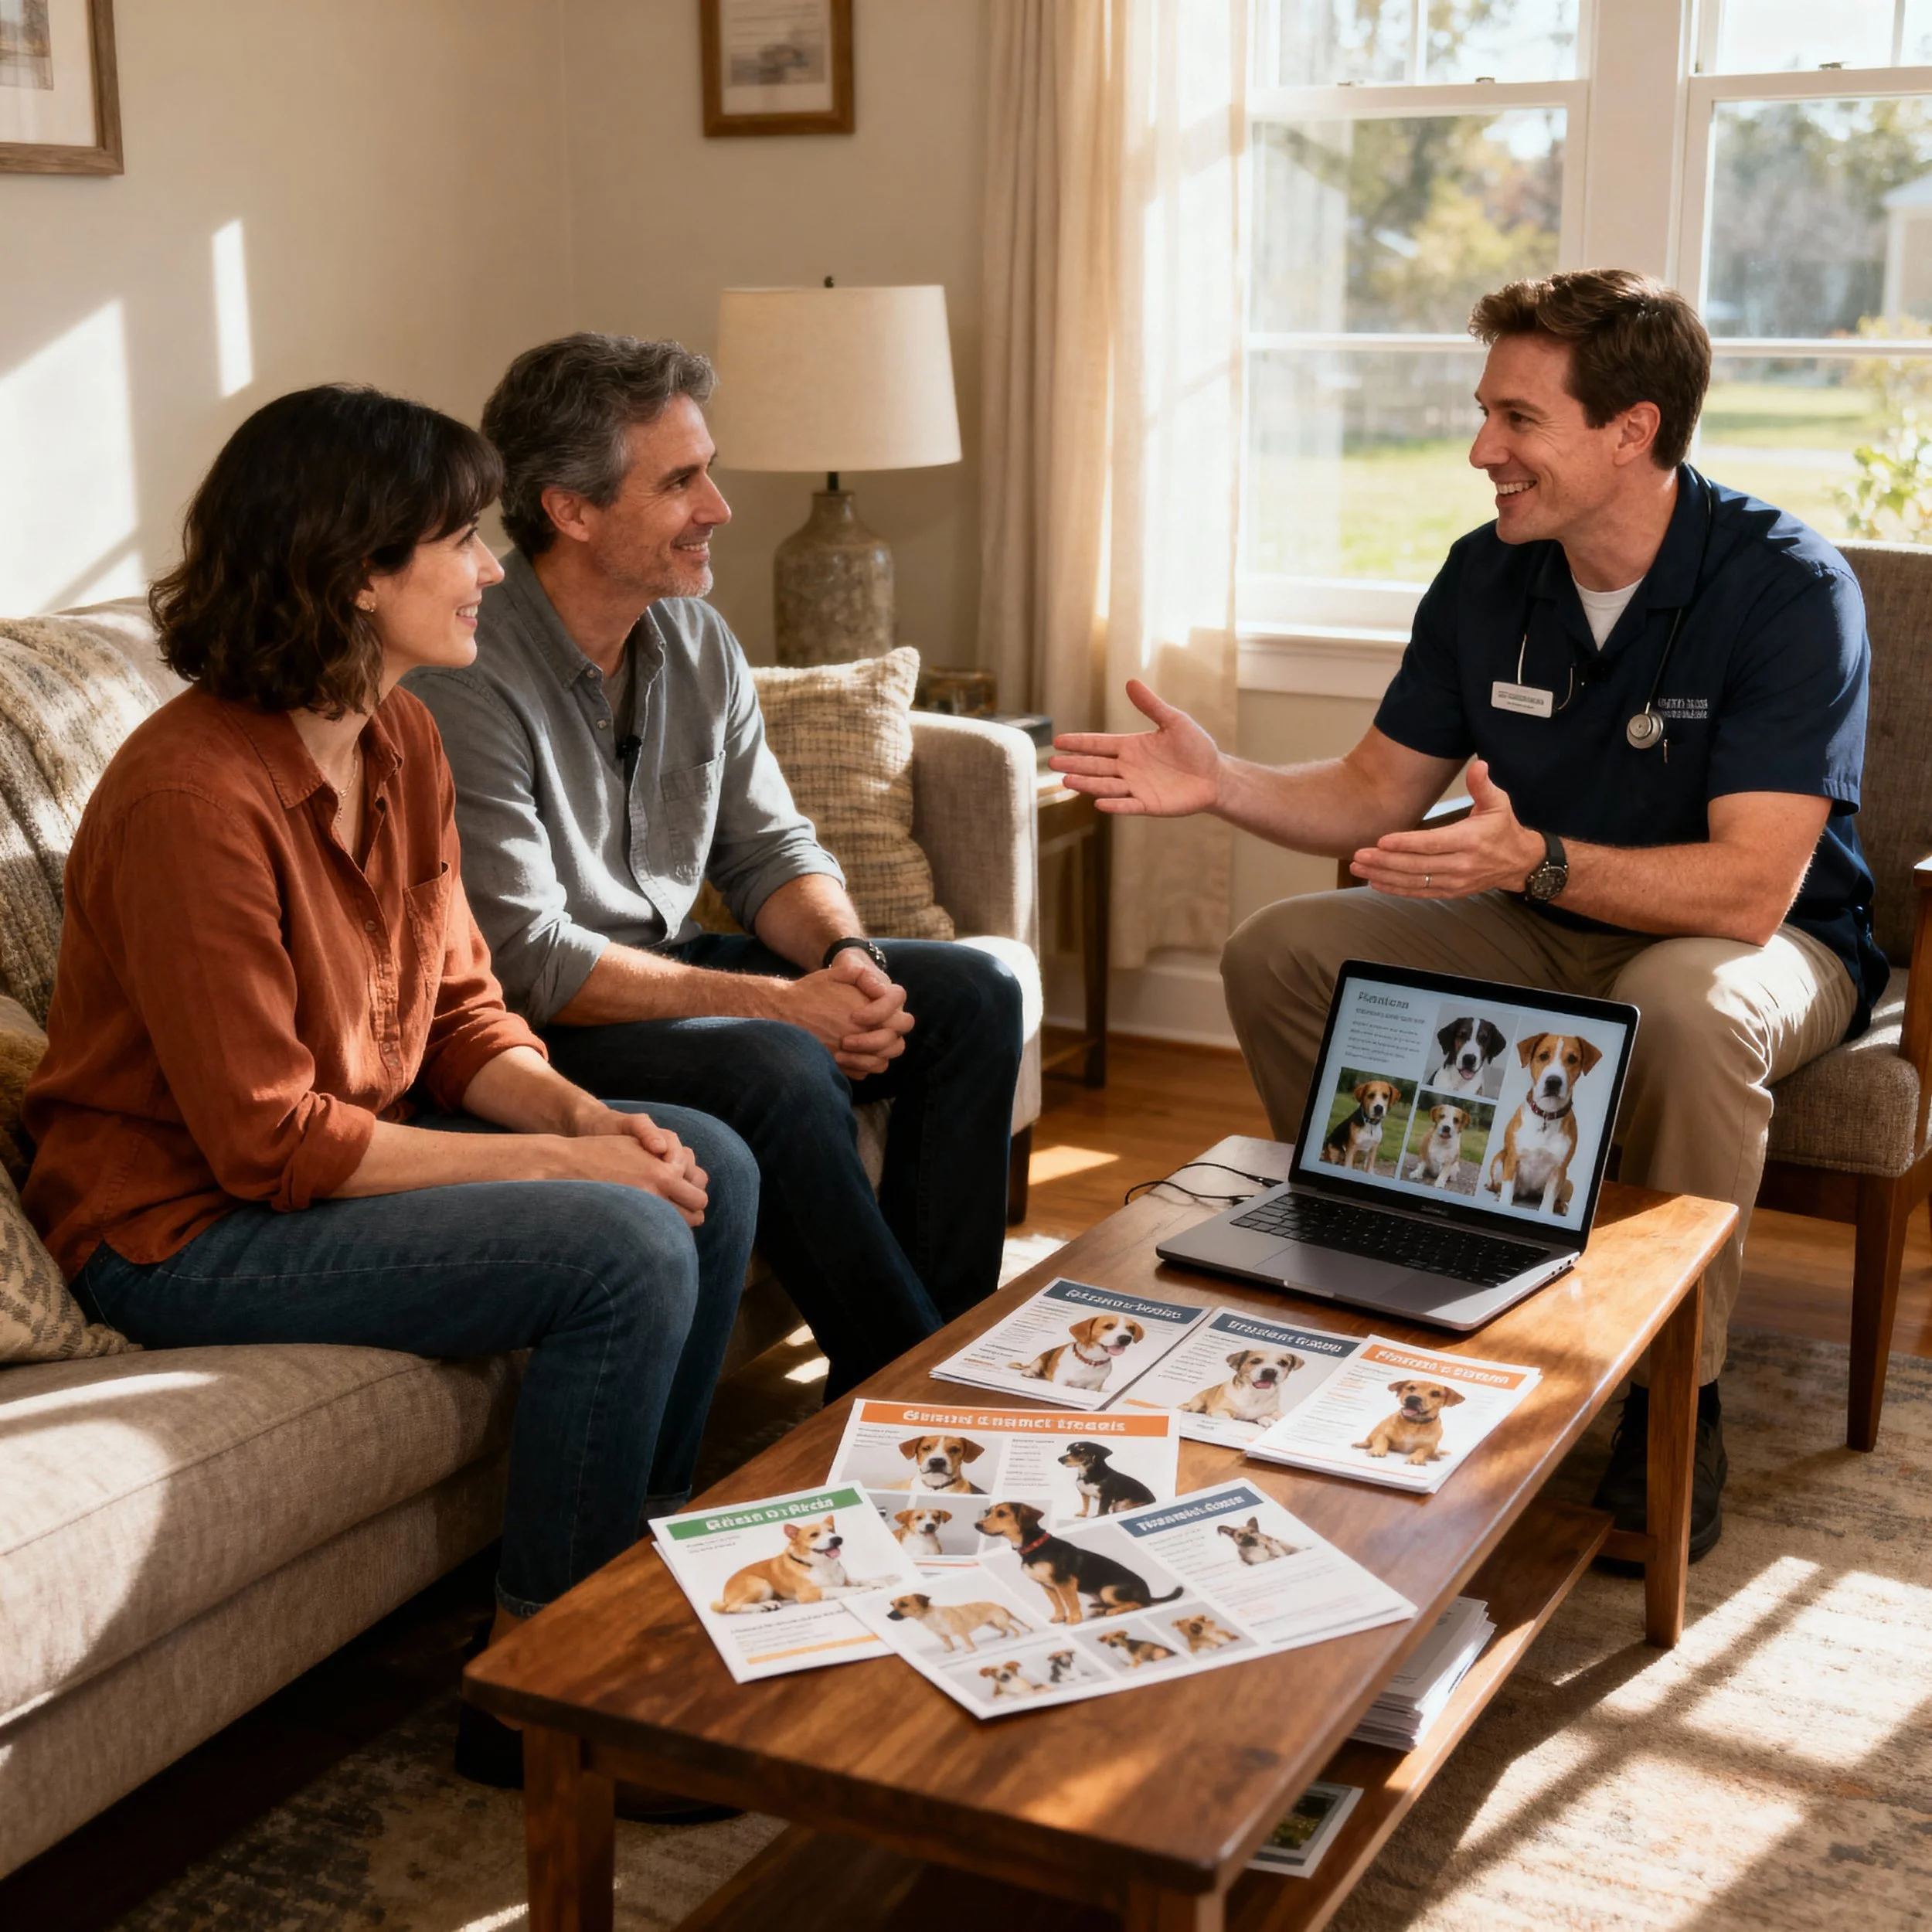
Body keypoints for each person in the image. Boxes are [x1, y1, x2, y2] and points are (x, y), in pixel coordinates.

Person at [1049, 270, 1888, 1560]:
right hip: (1540, 905)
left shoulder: (1786, 587)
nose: (1482, 450)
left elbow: (1750, 887)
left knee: (1679, 1010)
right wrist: (1220, 782)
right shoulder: (1490, 575)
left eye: (1518, 419)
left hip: (1760, 945)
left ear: (1633, 430)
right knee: (1283, 951)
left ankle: (1680, 1392)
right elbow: (1373, 791)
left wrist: (1534, 860)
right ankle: (1386, 1267)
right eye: (1484, 413)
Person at [22, 386, 757, 1816]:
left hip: (314, 1164)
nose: (491, 567)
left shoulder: (399, 738)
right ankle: (539, 1698)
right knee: (618, 1240)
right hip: (177, 1228)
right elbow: (267, 1138)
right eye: (458, 538)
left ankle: (622, 1596)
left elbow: (465, 1016)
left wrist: (585, 1127)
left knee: (697, 1160)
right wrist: (564, 1184)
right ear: (356, 569)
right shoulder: (194, 800)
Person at [406, 333, 1024, 1395]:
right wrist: (788, 1011)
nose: (719, 508)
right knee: (773, 1061)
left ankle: (936, 1349)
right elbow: (530, 961)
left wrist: (848, 960)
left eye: (710, 471)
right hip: (539, 1025)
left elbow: (769, 849)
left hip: (662, 966)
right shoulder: (462, 674)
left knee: (970, 992)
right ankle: (909, 1387)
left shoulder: (696, 639)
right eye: (682, 482)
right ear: (572, 510)